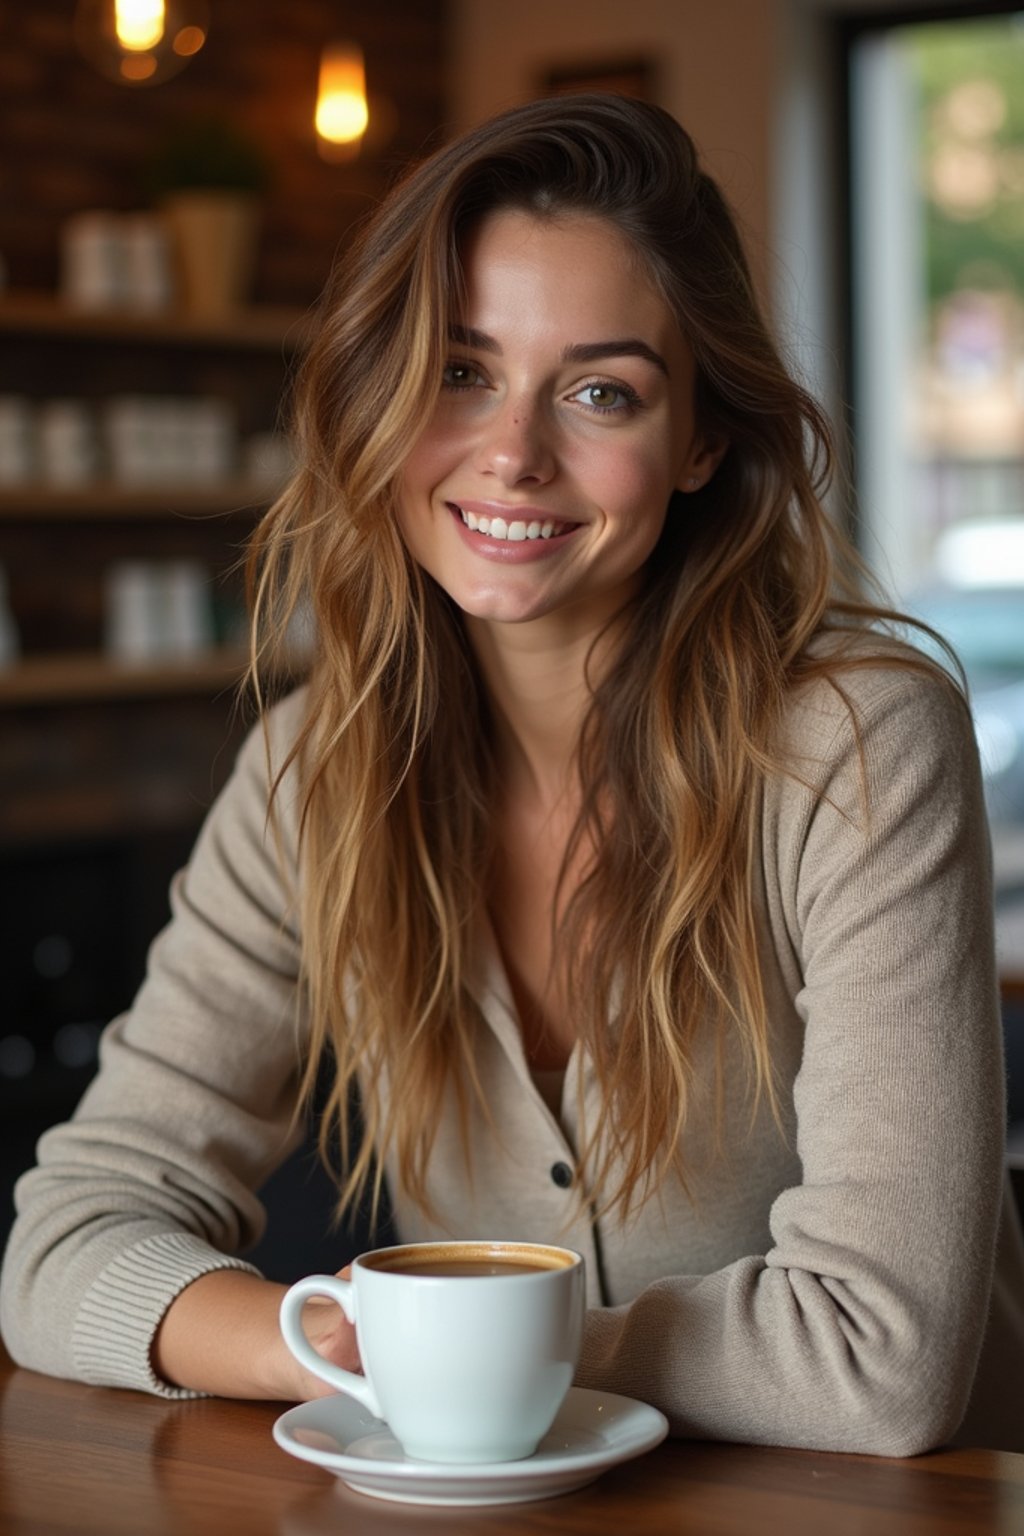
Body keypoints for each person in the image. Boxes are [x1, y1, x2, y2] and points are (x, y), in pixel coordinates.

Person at [2, 93, 1023, 1455]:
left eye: (602, 390)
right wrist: (329, 1350)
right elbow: (62, 1243)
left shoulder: (854, 743)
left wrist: (456, 1353)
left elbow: (877, 1360)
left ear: (702, 440)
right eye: (460, 370)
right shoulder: (315, 771)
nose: (513, 453)